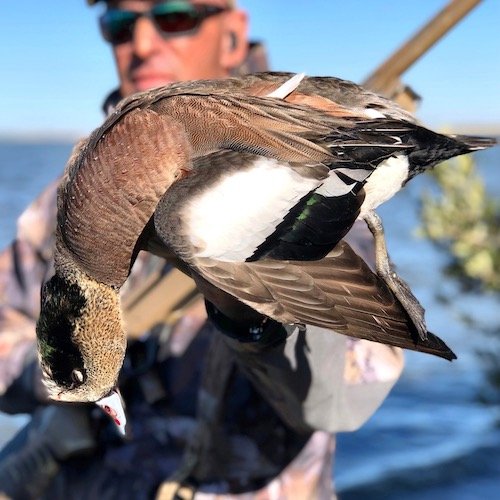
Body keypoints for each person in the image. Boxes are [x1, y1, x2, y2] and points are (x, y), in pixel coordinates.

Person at [0, 1, 404, 498]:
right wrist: (69, 375)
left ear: (233, 32)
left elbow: (343, 400)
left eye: (174, 16)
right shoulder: (73, 197)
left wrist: (251, 318)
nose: (143, 44)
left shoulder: (300, 158)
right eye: (120, 24)